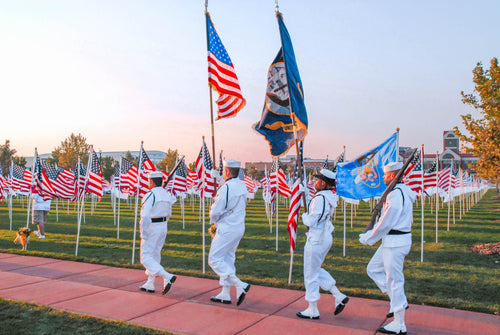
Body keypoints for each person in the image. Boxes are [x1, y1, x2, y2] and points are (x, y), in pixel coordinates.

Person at [359, 162, 416, 335]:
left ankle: (399, 323)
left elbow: (387, 221)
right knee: (373, 269)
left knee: (395, 281)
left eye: (385, 175)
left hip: (395, 242)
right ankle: (399, 301)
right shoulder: (402, 191)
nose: (383, 177)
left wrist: (369, 237)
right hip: (394, 241)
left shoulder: (396, 195)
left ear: (392, 176)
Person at [297, 169, 349, 320]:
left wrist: (304, 216)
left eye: (317, 180)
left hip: (316, 238)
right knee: (315, 269)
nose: (315, 181)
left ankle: (312, 308)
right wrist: (305, 194)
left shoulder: (320, 198)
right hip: (325, 237)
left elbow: (312, 220)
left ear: (323, 183)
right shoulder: (328, 196)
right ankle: (338, 295)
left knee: (310, 274)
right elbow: (316, 209)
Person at [208, 159, 250, 306]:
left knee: (214, 259)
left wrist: (211, 215)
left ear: (227, 171)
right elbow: (231, 190)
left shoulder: (225, 188)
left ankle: (240, 285)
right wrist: (220, 180)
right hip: (238, 227)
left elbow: (217, 209)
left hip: (227, 228)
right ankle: (225, 293)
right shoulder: (241, 185)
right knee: (227, 259)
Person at [139, 171, 177, 295]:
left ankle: (167, 276)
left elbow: (144, 216)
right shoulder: (166, 195)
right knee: (155, 254)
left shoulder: (150, 195)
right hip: (163, 225)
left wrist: (143, 232)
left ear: (152, 182)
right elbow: (169, 212)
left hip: (152, 226)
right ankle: (150, 283)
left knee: (145, 257)